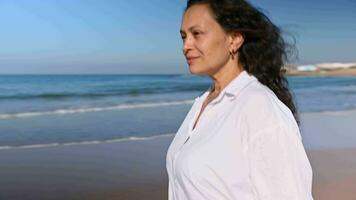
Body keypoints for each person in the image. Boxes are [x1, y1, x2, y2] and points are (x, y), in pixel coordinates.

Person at [166, 0, 314, 199]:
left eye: (197, 34)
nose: (186, 46)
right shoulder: (202, 103)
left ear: (234, 39)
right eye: (183, 36)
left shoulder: (261, 110)